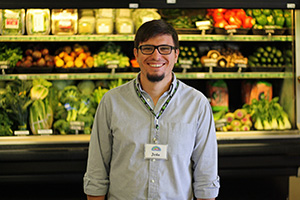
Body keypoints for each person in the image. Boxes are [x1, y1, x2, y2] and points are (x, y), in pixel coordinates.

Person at [83, 19, 220, 200]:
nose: (156, 56)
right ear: (136, 54)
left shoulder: (197, 104)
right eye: (147, 48)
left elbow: (206, 177)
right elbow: (97, 173)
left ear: (176, 55)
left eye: (165, 49)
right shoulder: (111, 102)